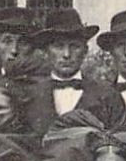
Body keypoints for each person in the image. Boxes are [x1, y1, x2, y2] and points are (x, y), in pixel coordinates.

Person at [22, 8, 119, 137]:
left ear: (85, 51)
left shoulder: (107, 95)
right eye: (59, 46)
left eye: (74, 46)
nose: (67, 55)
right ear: (46, 52)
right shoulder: (28, 95)